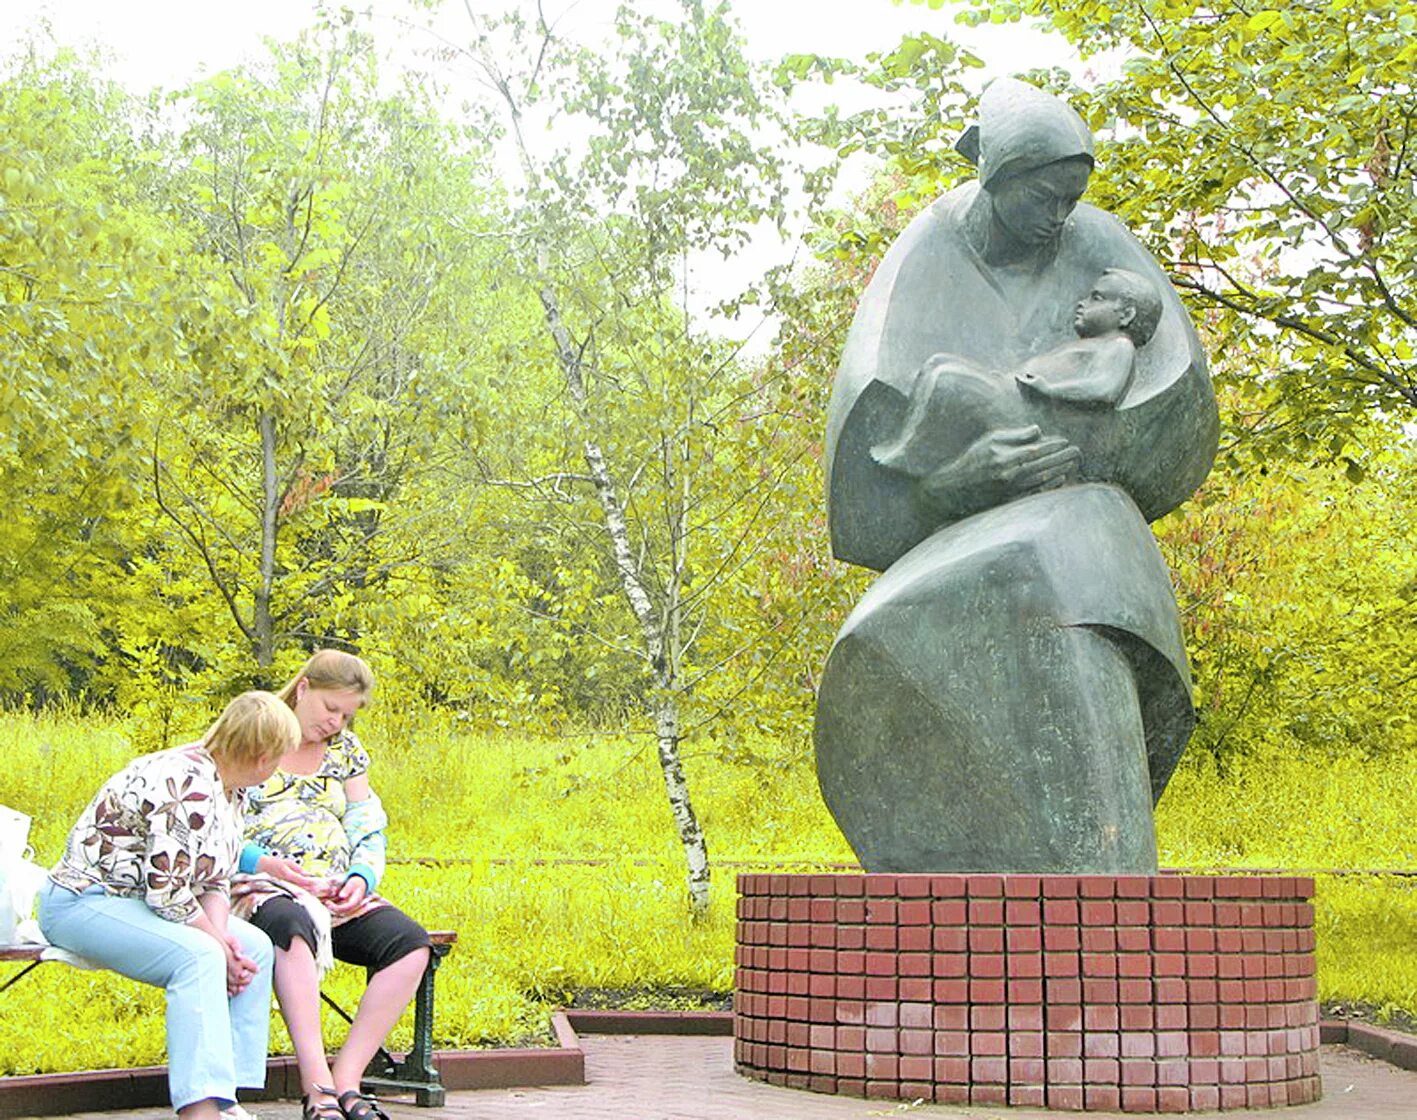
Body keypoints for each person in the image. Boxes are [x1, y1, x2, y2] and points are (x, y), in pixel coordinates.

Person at [815, 78, 1219, 874]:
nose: (1059, 216)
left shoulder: (1101, 249)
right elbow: (863, 473)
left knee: (1079, 556)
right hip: (949, 555)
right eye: (1042, 194)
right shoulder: (925, 253)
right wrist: (947, 487)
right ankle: (1076, 891)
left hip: (1079, 519)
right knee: (1044, 564)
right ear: (994, 177)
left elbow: (1176, 402)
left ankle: (1098, 892)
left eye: (1071, 197)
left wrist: (1081, 450)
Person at [37, 691, 298, 1120]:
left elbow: (215, 877)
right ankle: (199, 1109)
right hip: (83, 903)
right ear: (260, 755)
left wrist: (227, 942)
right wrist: (216, 944)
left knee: (252, 947)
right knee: (199, 957)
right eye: (277, 757)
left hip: (141, 903)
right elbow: (169, 891)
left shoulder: (232, 789)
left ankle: (226, 1095)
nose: (278, 767)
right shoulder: (186, 784)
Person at [231, 650, 430, 1120]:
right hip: (263, 886)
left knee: (410, 944)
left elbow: (366, 823)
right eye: (329, 708)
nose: (336, 722)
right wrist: (265, 864)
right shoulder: (258, 733)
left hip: (333, 887)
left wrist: (362, 877)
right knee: (293, 926)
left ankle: (348, 1079)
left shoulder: (346, 751)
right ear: (303, 689)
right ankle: (316, 1086)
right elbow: (214, 826)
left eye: (347, 714)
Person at [872, 266, 1164, 482]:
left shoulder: (1118, 347)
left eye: (1097, 298)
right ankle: (912, 445)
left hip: (1029, 412)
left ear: (1126, 314)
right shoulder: (1095, 345)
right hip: (1012, 393)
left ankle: (912, 456)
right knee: (939, 364)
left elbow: (1106, 389)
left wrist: (1049, 388)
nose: (1082, 303)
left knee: (948, 380)